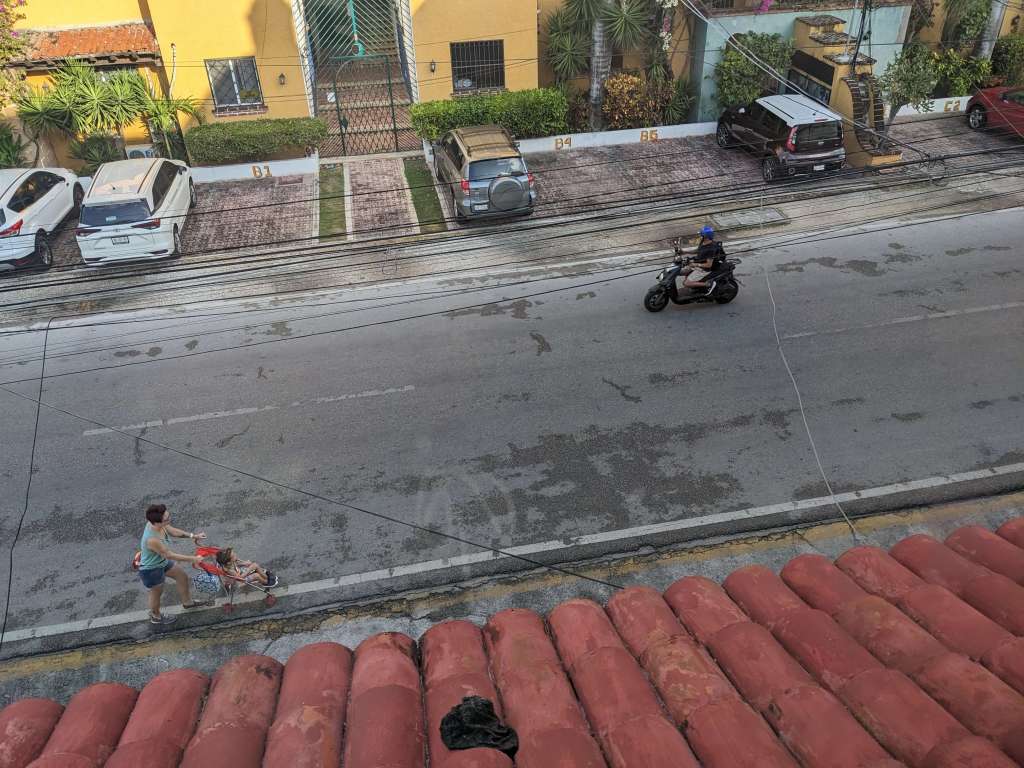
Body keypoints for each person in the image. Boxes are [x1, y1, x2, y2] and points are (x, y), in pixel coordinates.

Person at [138, 503, 213, 624]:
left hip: (161, 562)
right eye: (166, 519)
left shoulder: (158, 524)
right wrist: (193, 559)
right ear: (157, 522)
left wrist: (193, 535)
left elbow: (172, 531)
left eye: (168, 516)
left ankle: (188, 603)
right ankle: (156, 616)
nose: (169, 519)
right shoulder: (152, 540)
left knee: (182, 576)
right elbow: (169, 555)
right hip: (151, 570)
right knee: (156, 593)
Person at [682, 224, 726, 295]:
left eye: (701, 235)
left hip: (705, 269)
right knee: (683, 271)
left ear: (706, 237)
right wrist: (684, 252)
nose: (700, 236)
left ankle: (708, 284)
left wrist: (695, 264)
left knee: (686, 283)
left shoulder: (710, 249)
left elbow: (709, 265)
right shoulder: (703, 242)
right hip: (699, 263)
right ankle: (694, 287)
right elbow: (698, 250)